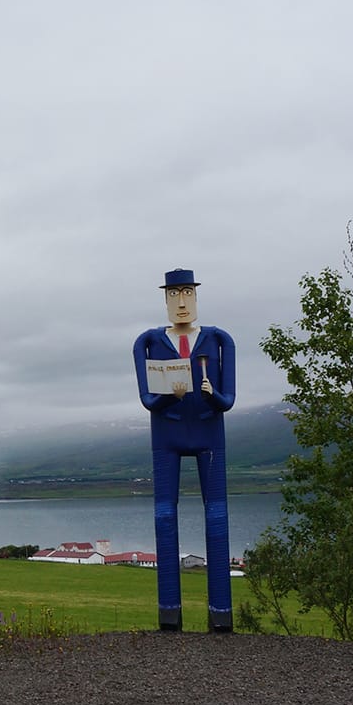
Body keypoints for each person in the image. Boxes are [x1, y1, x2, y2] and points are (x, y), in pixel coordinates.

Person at [133, 268, 236, 632]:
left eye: (187, 293)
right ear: (165, 299)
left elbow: (229, 400)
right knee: (164, 515)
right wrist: (169, 396)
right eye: (174, 294)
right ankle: (169, 613)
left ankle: (221, 613)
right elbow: (148, 400)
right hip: (167, 435)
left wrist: (212, 394)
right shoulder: (148, 342)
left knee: (217, 516)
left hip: (209, 433)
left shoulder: (219, 339)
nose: (181, 302)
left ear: (196, 296)